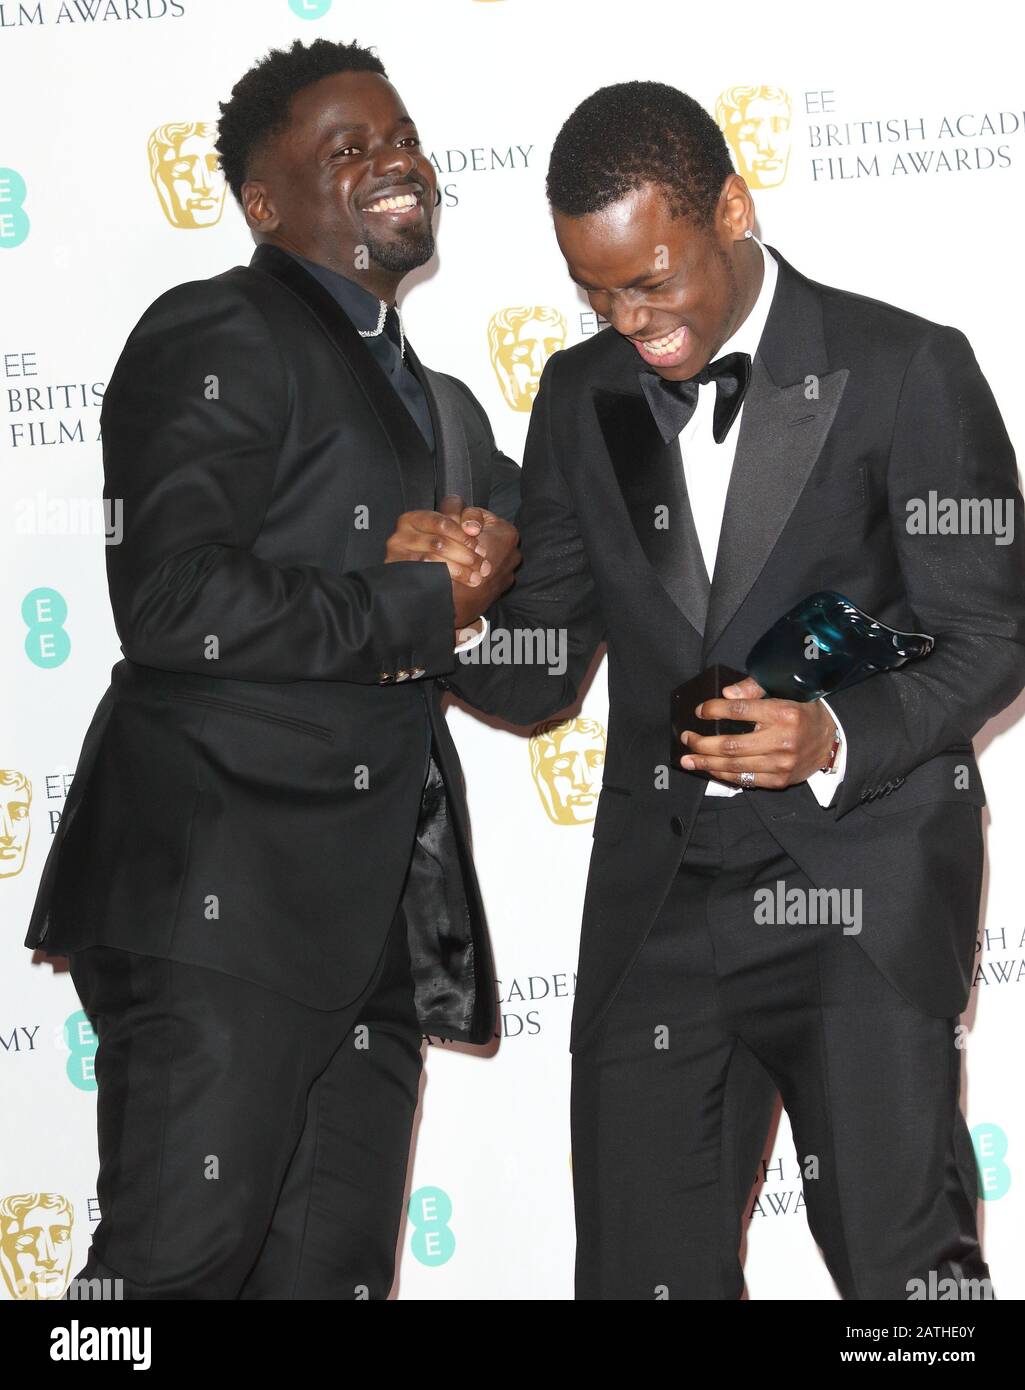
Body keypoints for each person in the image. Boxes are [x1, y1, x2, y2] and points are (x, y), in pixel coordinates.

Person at [413, 80, 1025, 1299]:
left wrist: (833, 734)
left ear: (731, 210)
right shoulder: (581, 395)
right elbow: (545, 671)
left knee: (903, 1278)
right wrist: (426, 617)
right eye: (594, 291)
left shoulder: (903, 365)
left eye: (649, 281)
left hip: (857, 883)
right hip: (662, 906)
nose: (628, 319)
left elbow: (990, 633)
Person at [24, 37, 519, 1301]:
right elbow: (171, 600)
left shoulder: (447, 407)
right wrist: (416, 598)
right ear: (263, 203)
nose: (390, 159)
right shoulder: (216, 328)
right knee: (158, 1284)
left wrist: (505, 584)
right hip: (219, 904)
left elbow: (530, 661)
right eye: (344, 148)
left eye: (398, 133)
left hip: (371, 939)